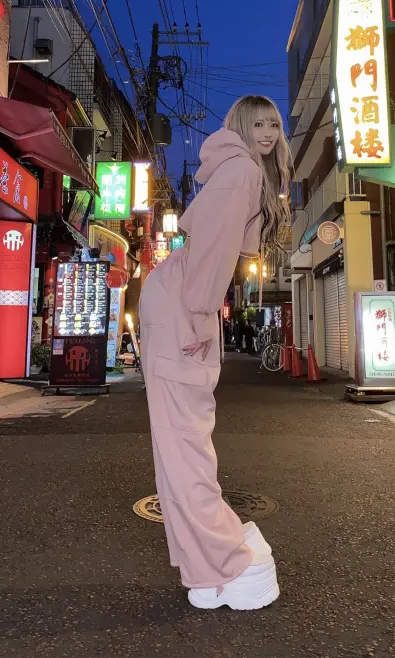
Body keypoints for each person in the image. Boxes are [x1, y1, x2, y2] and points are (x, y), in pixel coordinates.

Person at [139, 95, 291, 611]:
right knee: (185, 448)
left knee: (182, 447)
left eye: (274, 124)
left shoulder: (236, 169)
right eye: (258, 123)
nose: (268, 132)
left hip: (181, 298)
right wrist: (201, 315)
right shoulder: (242, 171)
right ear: (240, 126)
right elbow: (213, 250)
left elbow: (212, 251)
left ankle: (214, 563)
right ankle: (223, 561)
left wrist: (201, 312)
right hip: (185, 303)